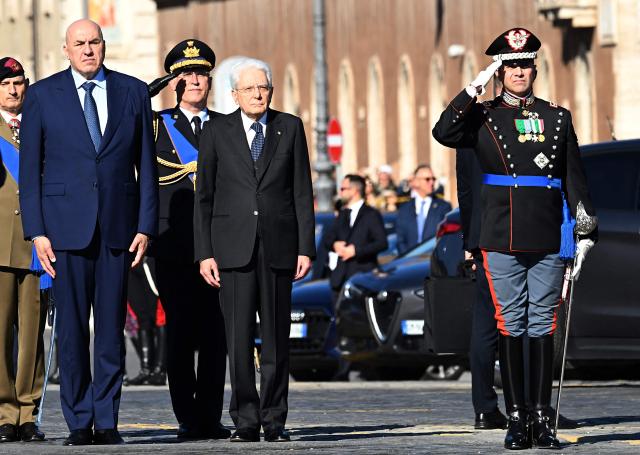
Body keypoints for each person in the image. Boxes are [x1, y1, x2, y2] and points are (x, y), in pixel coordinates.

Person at [433, 28, 597, 450]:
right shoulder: (482, 115)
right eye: (509, 66)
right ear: (500, 71)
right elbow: (444, 131)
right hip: (500, 230)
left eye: (524, 65)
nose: (518, 72)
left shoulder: (557, 117)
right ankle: (517, 418)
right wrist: (474, 86)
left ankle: (542, 418)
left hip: (546, 231)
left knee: (542, 323)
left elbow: (572, 176)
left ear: (535, 68)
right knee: (510, 323)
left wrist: (585, 228)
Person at [19, 19, 158, 446]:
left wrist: (145, 226)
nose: (87, 50)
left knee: (112, 328)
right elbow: (31, 172)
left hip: (118, 229)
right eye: (78, 44)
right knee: (73, 330)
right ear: (66, 50)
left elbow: (147, 167)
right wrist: (37, 232)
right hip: (63, 232)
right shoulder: (42, 95)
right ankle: (79, 419)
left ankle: (107, 418)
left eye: (94, 42)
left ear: (103, 45)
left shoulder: (132, 91)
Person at [194, 58, 315, 443]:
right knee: (239, 338)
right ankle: (245, 419)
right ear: (234, 95)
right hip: (232, 250)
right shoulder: (216, 131)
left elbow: (302, 193)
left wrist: (306, 248)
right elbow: (205, 198)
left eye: (263, 87)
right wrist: (205, 253)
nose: (258, 94)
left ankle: (275, 418)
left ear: (272, 91)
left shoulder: (289, 128)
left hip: (279, 248)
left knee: (278, 338)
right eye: (249, 89)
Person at [148, 39, 229, 440]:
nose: (195, 80)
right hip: (174, 245)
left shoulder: (226, 126)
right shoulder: (156, 125)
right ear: (174, 82)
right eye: (186, 75)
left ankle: (210, 416)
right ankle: (186, 415)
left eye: (200, 74)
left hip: (217, 247)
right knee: (180, 333)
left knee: (216, 335)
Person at [0, 57, 46, 443]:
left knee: (31, 334)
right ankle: (4, 411)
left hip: (35, 245)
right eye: (6, 84)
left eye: (19, 83)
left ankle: (28, 411)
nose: (14, 90)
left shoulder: (41, 124)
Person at [456, 149, 507, 430]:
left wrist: (469, 240)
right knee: (519, 322)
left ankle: (485, 408)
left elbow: (464, 190)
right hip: (511, 233)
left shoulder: (466, 126)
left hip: (480, 234)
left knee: (485, 324)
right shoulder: (500, 120)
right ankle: (525, 406)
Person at [325, 174, 388, 306]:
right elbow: (328, 239)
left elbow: (382, 243)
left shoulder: (371, 214)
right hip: (340, 278)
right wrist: (335, 245)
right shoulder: (343, 214)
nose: (340, 192)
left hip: (363, 276)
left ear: (354, 191)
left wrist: (356, 251)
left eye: (343, 189)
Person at [124, 257, 166, 387]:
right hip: (129, 259)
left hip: (150, 257)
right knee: (141, 316)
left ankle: (160, 370)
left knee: (160, 315)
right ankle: (146, 369)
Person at [396, 164, 451, 255]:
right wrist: (407, 257)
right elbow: (400, 240)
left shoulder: (443, 207)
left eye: (433, 179)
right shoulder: (404, 208)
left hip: (434, 261)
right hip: (409, 262)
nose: (432, 182)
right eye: (427, 179)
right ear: (416, 182)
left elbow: (446, 237)